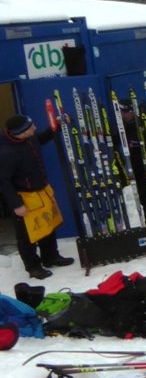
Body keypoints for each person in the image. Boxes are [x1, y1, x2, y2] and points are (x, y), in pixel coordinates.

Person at [0, 114, 75, 279]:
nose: (34, 128)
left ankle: (50, 256)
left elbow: (41, 138)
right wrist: (16, 204)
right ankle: (33, 267)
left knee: (48, 224)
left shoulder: (28, 138)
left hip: (41, 191)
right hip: (24, 198)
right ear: (21, 132)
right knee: (28, 235)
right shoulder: (6, 153)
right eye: (31, 127)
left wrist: (58, 125)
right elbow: (3, 181)